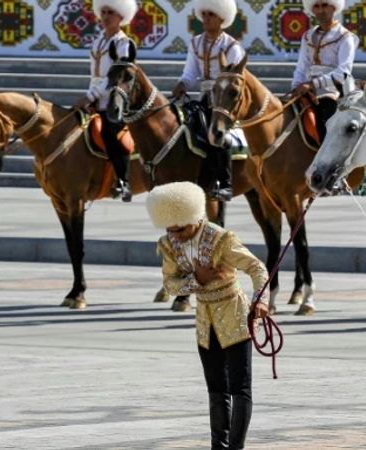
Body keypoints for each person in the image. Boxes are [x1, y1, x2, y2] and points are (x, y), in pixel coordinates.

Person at [147, 181, 270, 449]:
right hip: (205, 320)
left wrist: (261, 300)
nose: (175, 236)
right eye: (170, 230)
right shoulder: (168, 244)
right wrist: (197, 279)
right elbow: (170, 284)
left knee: (240, 388)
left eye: (180, 229)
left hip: (235, 313)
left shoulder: (220, 239)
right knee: (216, 389)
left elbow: (257, 268)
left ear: (194, 217)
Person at [172, 0, 245, 201]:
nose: (205, 18)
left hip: (225, 101)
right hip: (204, 98)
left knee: (217, 134)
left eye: (211, 14)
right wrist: (182, 84)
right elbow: (190, 72)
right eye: (203, 14)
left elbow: (234, 79)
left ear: (222, 18)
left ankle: (225, 183)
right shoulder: (195, 42)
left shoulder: (231, 46)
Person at [75, 0, 137, 202]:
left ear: (122, 17)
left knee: (111, 133)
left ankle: (123, 182)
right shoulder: (98, 40)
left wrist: (91, 96)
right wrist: (90, 96)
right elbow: (94, 75)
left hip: (115, 99)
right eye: (103, 12)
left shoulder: (123, 44)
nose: (106, 16)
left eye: (111, 12)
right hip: (95, 96)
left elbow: (117, 75)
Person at [291, 0, 358, 144]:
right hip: (307, 89)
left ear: (334, 7)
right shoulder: (307, 36)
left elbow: (343, 73)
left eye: (324, 5)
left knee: (328, 121)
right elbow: (301, 66)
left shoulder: (345, 37)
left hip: (334, 91)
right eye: (316, 6)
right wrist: (296, 86)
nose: (321, 10)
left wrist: (312, 84)